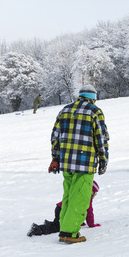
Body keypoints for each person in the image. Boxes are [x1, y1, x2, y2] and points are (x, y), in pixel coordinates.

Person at [49, 84, 109, 244]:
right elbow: (101, 139)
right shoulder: (95, 111)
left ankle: (64, 228)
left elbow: (55, 136)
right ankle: (69, 232)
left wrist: (55, 158)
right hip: (84, 162)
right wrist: (103, 160)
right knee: (81, 197)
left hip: (66, 162)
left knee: (68, 195)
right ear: (93, 98)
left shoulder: (65, 110)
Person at [27, 181, 101, 237]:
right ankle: (37, 229)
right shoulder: (86, 199)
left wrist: (79, 222)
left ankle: (49, 223)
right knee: (57, 228)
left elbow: (77, 211)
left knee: (59, 223)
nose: (95, 195)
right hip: (62, 210)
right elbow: (89, 213)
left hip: (60, 208)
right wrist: (92, 225)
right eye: (94, 193)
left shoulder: (77, 193)